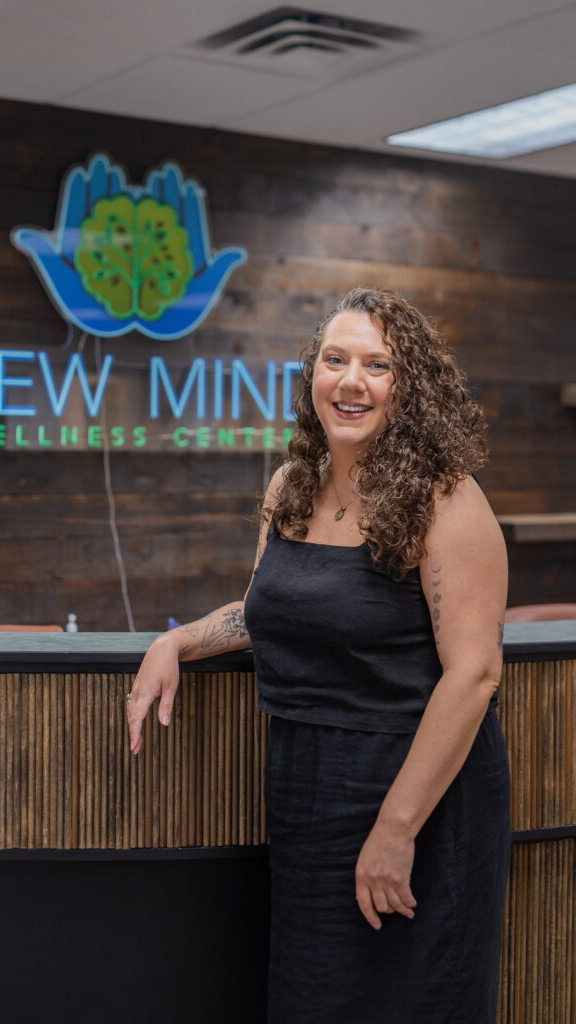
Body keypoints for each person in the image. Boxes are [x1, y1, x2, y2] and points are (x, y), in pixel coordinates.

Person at [126, 287, 511, 1024]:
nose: (351, 382)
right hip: (309, 789)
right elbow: (266, 611)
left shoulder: (446, 500)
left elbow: (474, 674)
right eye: (335, 360)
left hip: (419, 795)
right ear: (313, 375)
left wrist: (396, 830)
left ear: (411, 387)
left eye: (377, 365)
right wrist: (175, 639)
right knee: (314, 999)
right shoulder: (291, 487)